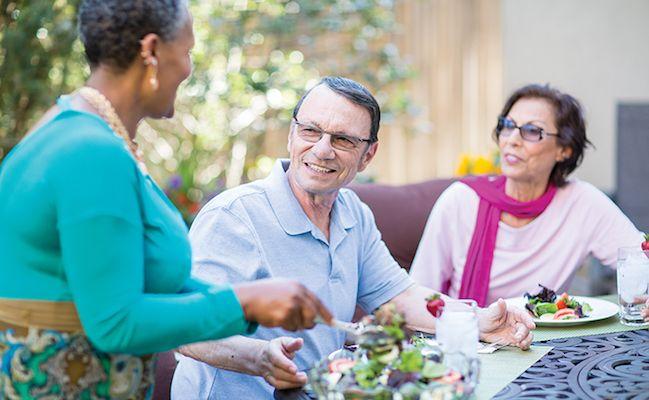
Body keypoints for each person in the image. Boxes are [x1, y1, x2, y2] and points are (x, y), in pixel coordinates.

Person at [0, 1, 331, 399]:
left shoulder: (86, 132)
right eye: (187, 51)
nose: (189, 68)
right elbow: (116, 323)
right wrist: (243, 302)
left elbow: (155, 282)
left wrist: (253, 316)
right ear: (152, 51)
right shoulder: (90, 153)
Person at [171, 76, 536, 399]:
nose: (322, 149)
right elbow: (187, 330)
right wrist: (259, 357)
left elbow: (399, 297)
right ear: (291, 135)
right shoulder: (233, 217)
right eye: (310, 131)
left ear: (367, 156)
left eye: (343, 139)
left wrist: (476, 321)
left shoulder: (352, 213)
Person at [410, 84, 645, 308]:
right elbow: (419, 294)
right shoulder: (460, 201)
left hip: (547, 345)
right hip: (468, 339)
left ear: (564, 149)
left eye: (532, 131)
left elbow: (640, 258)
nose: (512, 139)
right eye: (508, 125)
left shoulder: (582, 202)